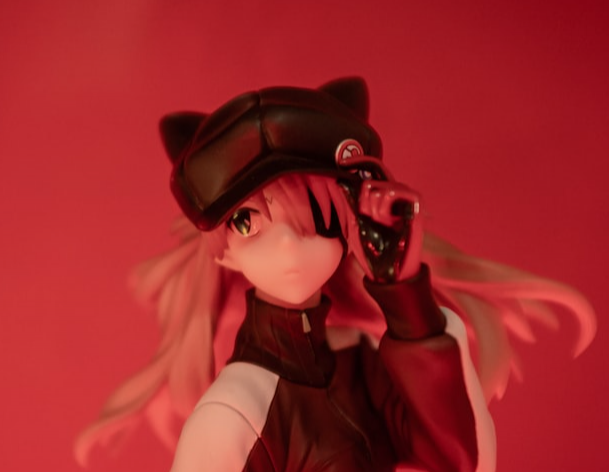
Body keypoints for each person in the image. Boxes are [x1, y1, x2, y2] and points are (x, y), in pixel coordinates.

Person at [75, 78, 595, 472]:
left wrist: (405, 297)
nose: (287, 246)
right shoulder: (235, 411)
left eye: (319, 219)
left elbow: (461, 462)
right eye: (248, 223)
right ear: (223, 253)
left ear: (347, 230)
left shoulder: (360, 363)